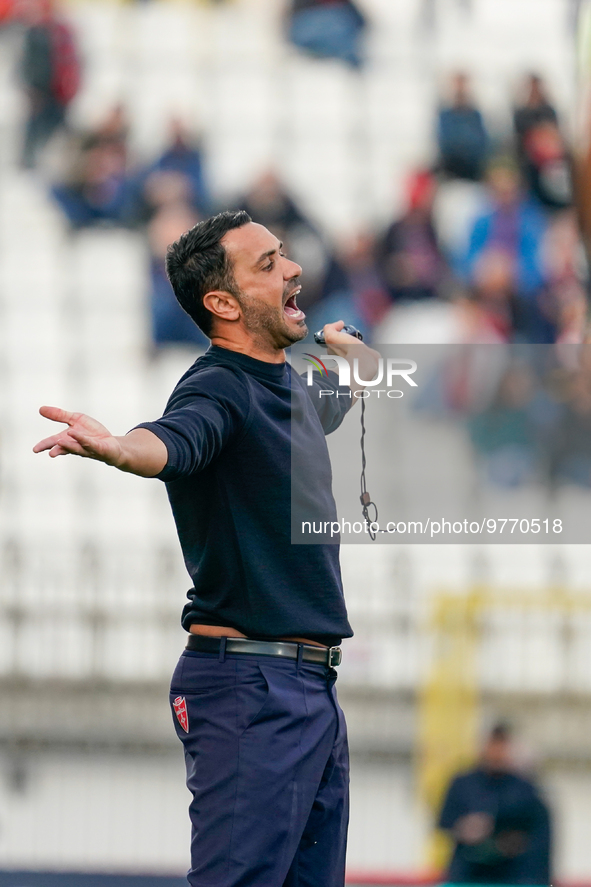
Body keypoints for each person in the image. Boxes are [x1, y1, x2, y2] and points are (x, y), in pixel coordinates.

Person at [33, 210, 380, 887]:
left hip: (308, 687)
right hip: (250, 686)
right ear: (222, 304)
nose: (292, 268)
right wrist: (116, 448)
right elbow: (173, 439)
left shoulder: (288, 384)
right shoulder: (218, 386)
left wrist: (351, 353)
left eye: (283, 255)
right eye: (268, 265)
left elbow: (342, 392)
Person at [439, 723, 552, 885]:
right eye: (493, 744)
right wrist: (465, 828)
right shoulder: (462, 783)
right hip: (468, 873)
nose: (496, 751)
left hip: (512, 874)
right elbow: (444, 821)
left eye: (502, 745)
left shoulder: (524, 788)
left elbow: (538, 837)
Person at [436, 73, 490, 182]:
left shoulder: (475, 115)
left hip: (474, 165)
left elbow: (481, 140)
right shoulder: (445, 115)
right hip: (452, 165)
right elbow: (446, 142)